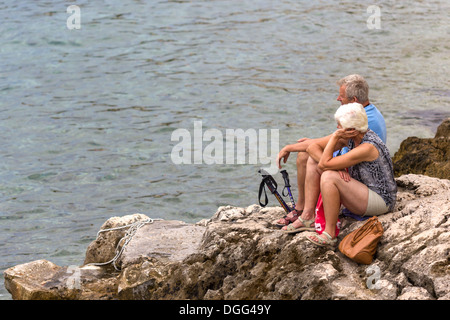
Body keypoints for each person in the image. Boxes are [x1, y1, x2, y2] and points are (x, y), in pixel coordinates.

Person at [275, 74, 387, 229]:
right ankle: (302, 210)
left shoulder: (364, 121)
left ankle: (306, 213)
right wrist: (290, 147)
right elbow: (326, 141)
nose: (337, 99)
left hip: (361, 176)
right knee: (304, 154)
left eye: (341, 96)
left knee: (312, 160)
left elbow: (327, 149)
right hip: (351, 163)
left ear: (353, 100)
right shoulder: (361, 114)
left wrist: (335, 163)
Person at [303, 102, 397, 246]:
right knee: (316, 162)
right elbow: (312, 148)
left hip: (381, 200)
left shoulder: (367, 147)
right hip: (362, 190)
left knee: (328, 176)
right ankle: (308, 215)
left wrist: (335, 138)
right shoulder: (353, 138)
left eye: (339, 126)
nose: (337, 129)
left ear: (351, 129)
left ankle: (329, 234)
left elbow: (324, 164)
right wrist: (336, 166)